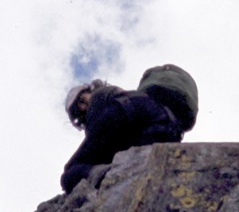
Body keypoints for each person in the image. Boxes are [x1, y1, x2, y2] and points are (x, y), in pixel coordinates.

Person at [60, 64, 197, 192]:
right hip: (166, 129)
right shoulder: (130, 98)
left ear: (91, 90)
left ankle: (102, 175)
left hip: (139, 117)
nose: (84, 107)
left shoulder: (100, 98)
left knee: (70, 173)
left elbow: (98, 140)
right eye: (79, 111)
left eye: (82, 101)